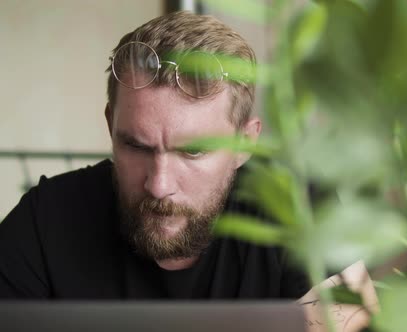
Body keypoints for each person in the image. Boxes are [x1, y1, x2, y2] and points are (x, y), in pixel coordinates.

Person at [0, 11, 310, 299]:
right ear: (110, 125)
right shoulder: (45, 221)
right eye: (136, 146)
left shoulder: (304, 218)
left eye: (193, 151)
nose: (158, 186)